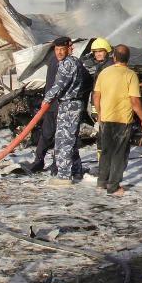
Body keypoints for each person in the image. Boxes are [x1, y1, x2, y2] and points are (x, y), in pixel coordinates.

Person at [93, 44, 142, 195]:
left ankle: (101, 183)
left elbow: (96, 96)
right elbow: (135, 101)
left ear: (114, 57)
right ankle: (114, 187)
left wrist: (100, 113)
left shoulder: (104, 73)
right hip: (123, 120)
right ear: (128, 59)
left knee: (106, 151)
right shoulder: (131, 75)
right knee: (119, 153)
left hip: (106, 118)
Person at [41, 37, 87, 186]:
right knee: (71, 141)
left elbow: (59, 85)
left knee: (64, 141)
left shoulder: (67, 64)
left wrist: (47, 98)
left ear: (69, 48)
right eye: (57, 49)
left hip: (69, 105)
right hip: (73, 103)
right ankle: (77, 171)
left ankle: (64, 175)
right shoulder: (75, 61)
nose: (59, 53)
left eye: (62, 49)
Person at [29, 46, 61, 174]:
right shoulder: (63, 62)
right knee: (59, 136)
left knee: (46, 135)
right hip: (58, 105)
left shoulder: (52, 60)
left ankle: (38, 161)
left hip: (49, 105)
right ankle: (55, 165)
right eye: (69, 46)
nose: (72, 48)